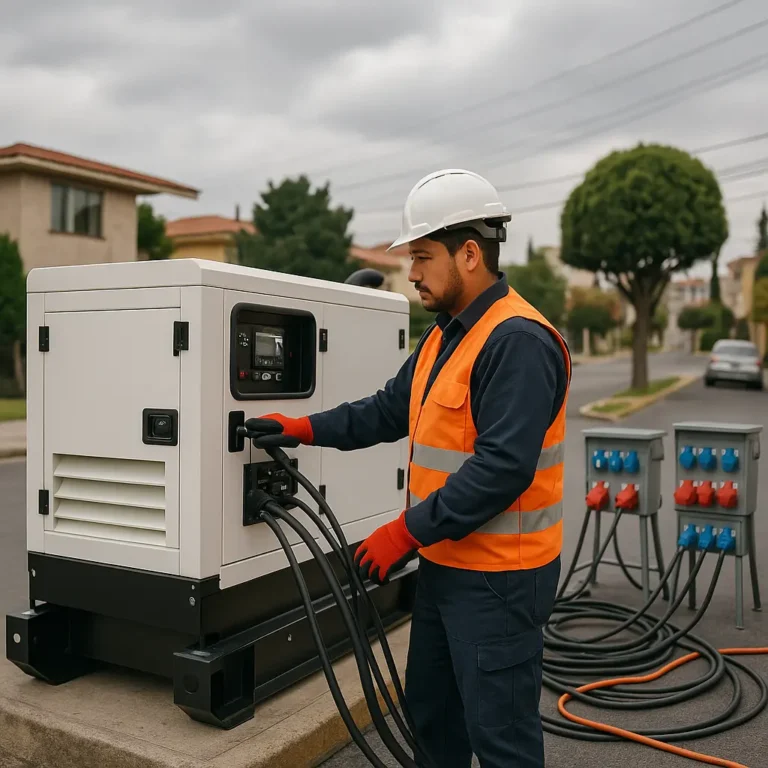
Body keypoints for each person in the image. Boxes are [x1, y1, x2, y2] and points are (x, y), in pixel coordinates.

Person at [260, 169, 571, 768]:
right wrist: (304, 428)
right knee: (432, 719)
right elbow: (384, 411)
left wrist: (403, 532)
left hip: (500, 581)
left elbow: (502, 470)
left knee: (500, 741)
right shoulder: (444, 337)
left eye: (423, 256)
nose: (412, 271)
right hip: (445, 566)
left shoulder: (518, 342)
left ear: (471, 254)